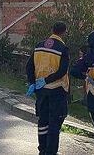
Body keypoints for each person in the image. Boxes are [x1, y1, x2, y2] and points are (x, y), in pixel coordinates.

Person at [26, 22, 70, 155]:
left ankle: (42, 149)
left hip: (41, 91)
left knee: (43, 121)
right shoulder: (63, 48)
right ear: (64, 32)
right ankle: (51, 151)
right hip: (57, 90)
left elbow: (29, 66)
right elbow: (62, 71)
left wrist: (33, 83)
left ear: (52, 30)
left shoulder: (39, 46)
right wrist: (47, 79)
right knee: (54, 123)